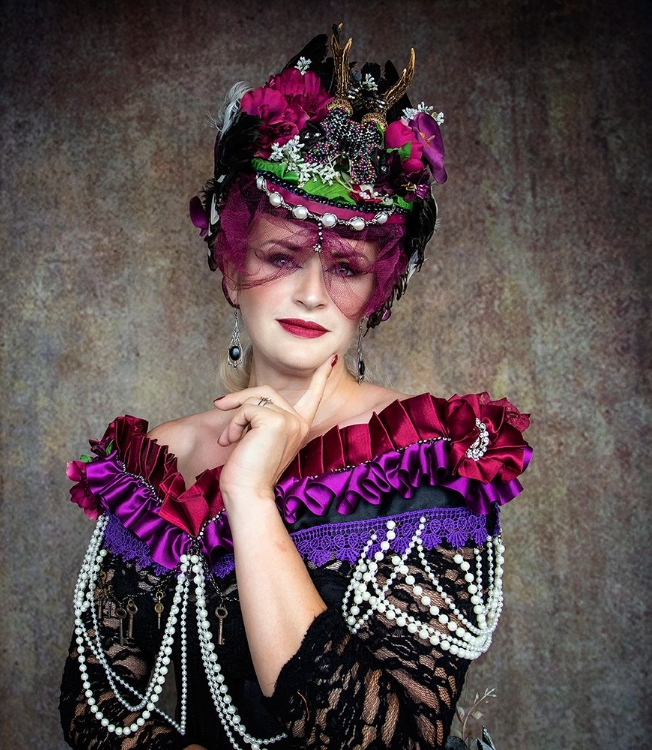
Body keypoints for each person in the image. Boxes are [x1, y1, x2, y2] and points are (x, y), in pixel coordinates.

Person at [59, 26, 532, 750]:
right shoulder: (156, 466)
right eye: (281, 256)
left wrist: (251, 498)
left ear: (376, 290)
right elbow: (97, 713)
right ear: (231, 268)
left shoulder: (430, 464)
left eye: (344, 267)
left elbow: (395, 742)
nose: (311, 293)